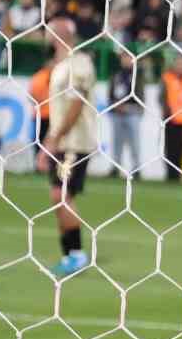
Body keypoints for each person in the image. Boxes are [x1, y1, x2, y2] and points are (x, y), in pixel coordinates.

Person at [40, 19, 98, 277]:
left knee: (60, 195)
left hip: (74, 143)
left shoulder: (79, 63)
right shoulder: (61, 66)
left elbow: (76, 106)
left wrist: (55, 138)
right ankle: (69, 255)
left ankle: (76, 255)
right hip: (62, 141)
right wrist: (51, 140)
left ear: (59, 35)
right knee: (59, 196)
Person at [107, 50, 144, 176]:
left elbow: (140, 97)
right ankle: (115, 166)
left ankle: (136, 168)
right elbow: (110, 94)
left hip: (132, 113)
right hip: (117, 113)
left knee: (134, 142)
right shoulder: (116, 75)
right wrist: (115, 106)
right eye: (124, 57)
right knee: (117, 141)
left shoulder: (138, 76)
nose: (126, 60)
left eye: (128, 57)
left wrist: (128, 107)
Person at [160, 57, 182, 181]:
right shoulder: (167, 78)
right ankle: (171, 175)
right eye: (179, 64)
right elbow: (162, 97)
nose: (181, 67)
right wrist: (166, 112)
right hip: (171, 120)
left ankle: (180, 174)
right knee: (170, 149)